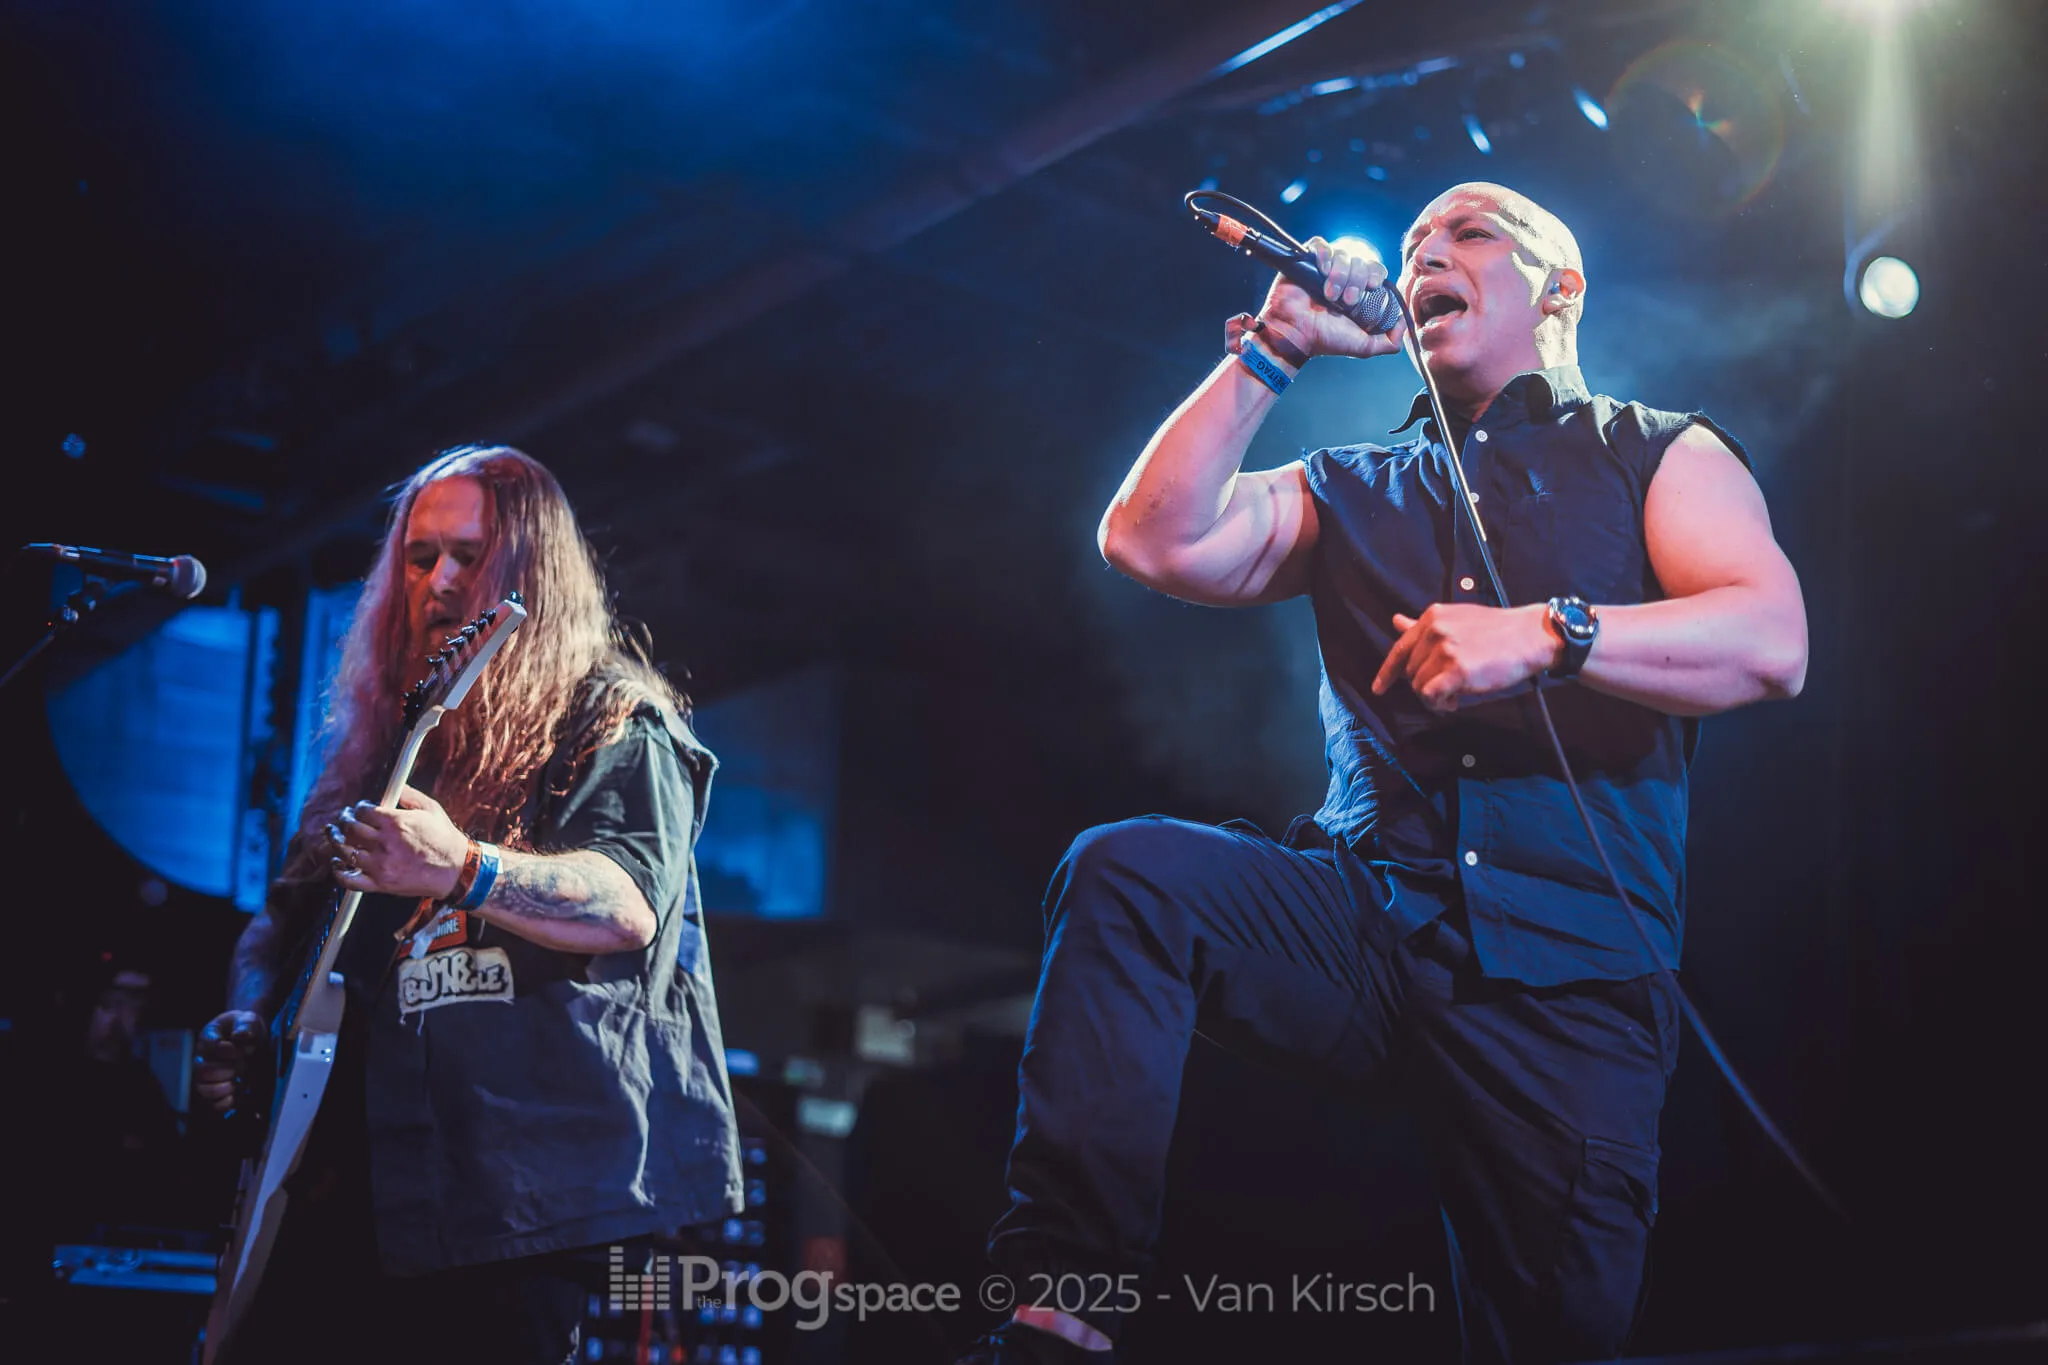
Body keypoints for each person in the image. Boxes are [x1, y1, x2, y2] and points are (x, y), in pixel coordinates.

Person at [959, 183, 1808, 1365]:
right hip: (1362, 923)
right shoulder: (1351, 482)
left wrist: (1549, 634)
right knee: (1131, 877)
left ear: (1557, 288)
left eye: (1468, 233)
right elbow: (1148, 539)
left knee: (1555, 1334)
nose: (1424, 255)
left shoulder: (1656, 450)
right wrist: (1273, 347)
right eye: (1412, 244)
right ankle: (1059, 1315)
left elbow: (1769, 643)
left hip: (1565, 976)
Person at [194, 445, 743, 1365]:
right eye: (420, 557)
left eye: (468, 555)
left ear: (532, 571)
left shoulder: (615, 720)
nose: (439, 580)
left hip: (509, 1202)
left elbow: (626, 902)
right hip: (337, 1187)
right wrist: (253, 1017)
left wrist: (463, 867)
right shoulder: (382, 748)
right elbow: (276, 923)